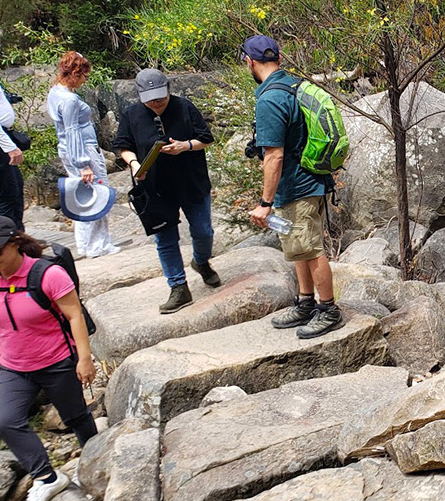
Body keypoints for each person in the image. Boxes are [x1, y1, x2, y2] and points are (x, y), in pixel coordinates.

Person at [0, 216, 97, 501]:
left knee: (77, 417)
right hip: (14, 367)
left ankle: (95, 465)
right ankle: (47, 477)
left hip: (56, 361)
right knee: (5, 420)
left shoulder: (48, 274)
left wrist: (85, 358)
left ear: (15, 243)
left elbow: (75, 316)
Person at [243, 35, 342, 339]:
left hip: (298, 185)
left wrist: (264, 202)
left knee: (310, 248)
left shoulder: (270, 98)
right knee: (298, 246)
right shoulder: (291, 85)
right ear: (279, 59)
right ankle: (305, 303)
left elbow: (274, 155)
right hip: (305, 181)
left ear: (249, 61)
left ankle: (328, 310)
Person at [113, 69, 221, 313]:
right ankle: (178, 287)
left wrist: (186, 146)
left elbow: (206, 137)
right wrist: (134, 163)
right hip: (155, 188)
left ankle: (201, 262)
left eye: (160, 97)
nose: (156, 102)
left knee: (203, 230)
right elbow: (123, 145)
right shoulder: (131, 114)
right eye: (150, 99)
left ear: (169, 89)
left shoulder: (185, 107)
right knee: (165, 239)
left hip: (191, 181)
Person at [46, 51, 120, 258]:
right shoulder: (68, 99)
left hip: (71, 150)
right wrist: (83, 164)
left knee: (85, 195)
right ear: (75, 73)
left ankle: (91, 244)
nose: (85, 80)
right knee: (97, 194)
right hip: (82, 150)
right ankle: (96, 245)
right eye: (84, 76)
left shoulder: (56, 92)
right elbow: (72, 131)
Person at [0, 28, 25, 229]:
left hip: (2, 141)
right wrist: (9, 147)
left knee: (14, 191)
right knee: (6, 198)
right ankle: (8, 244)